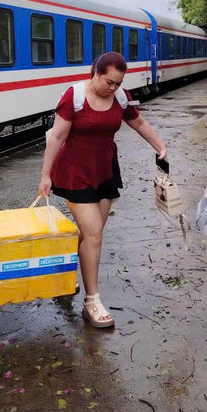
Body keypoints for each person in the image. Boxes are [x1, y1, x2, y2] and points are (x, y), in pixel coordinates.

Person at [38, 52, 167, 329]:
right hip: (75, 172)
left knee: (90, 234)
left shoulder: (120, 98)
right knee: (94, 233)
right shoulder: (73, 97)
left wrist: (159, 146)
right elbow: (58, 136)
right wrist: (45, 175)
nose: (114, 88)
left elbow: (138, 123)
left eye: (118, 83)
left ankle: (64, 273)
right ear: (95, 72)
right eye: (109, 82)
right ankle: (92, 302)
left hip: (106, 170)